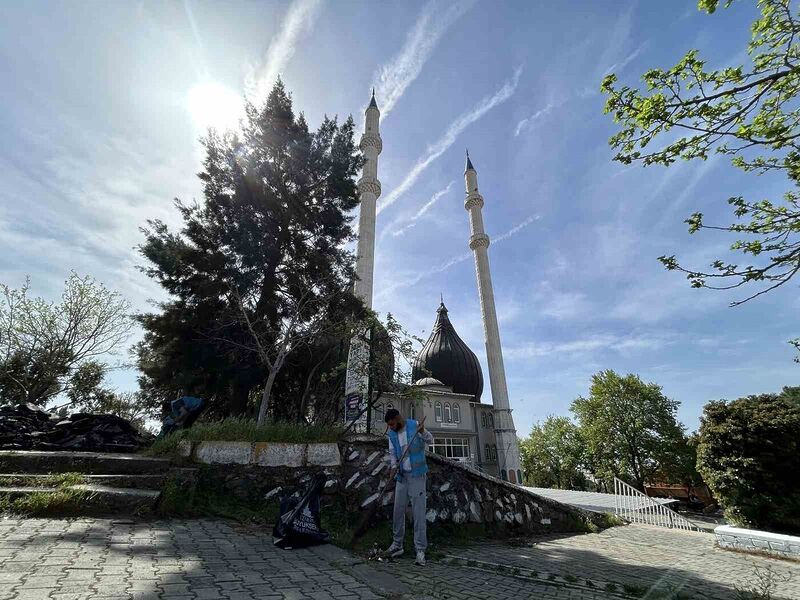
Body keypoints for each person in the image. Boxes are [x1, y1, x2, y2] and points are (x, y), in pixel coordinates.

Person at [382, 408, 434, 566]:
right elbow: (392, 454)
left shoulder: (414, 425)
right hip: (402, 477)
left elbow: (430, 440)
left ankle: (420, 550)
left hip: (417, 475)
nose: (391, 427)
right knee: (398, 510)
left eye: (392, 424)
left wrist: (423, 431)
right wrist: (393, 468)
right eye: (389, 425)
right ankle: (397, 545)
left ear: (398, 418)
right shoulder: (391, 434)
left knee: (418, 513)